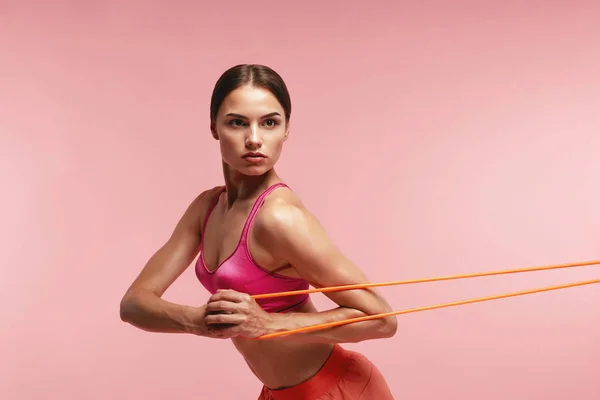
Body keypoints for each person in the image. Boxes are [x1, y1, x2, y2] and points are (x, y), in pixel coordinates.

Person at [119, 64, 397, 399]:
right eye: (237, 122)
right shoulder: (207, 208)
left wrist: (266, 325)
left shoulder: (279, 218)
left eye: (269, 122)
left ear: (286, 129)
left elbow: (382, 319)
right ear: (214, 128)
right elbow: (134, 304)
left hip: (335, 390)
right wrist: (198, 320)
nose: (254, 139)